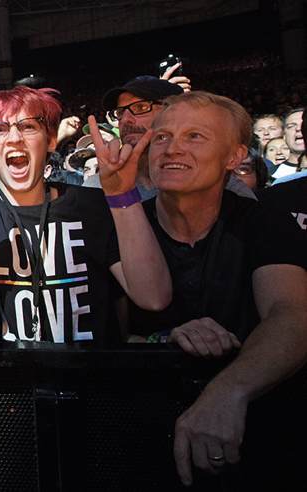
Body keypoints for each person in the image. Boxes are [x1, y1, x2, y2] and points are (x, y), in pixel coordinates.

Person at [128, 91, 307, 487]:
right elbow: (110, 330)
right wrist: (161, 337)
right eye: (162, 136)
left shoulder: (266, 222)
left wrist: (227, 392)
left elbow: (293, 315)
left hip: (264, 448)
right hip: (140, 447)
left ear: (234, 157)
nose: (172, 148)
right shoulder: (122, 225)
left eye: (195, 136)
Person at [0, 85, 170, 344]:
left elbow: (154, 298)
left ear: (50, 140)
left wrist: (122, 195)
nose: (14, 138)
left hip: (89, 378)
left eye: (28, 127)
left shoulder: (91, 206)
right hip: (3, 379)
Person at [84, 76, 255, 199]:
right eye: (120, 112)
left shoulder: (226, 192)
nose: (126, 119)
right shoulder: (97, 188)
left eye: (141, 107)